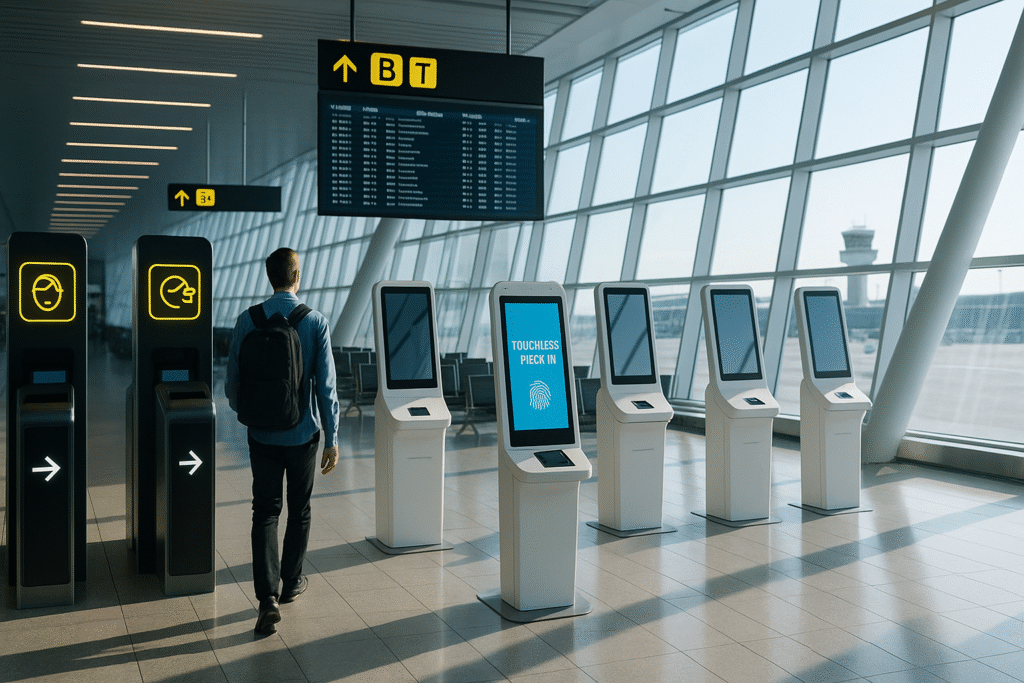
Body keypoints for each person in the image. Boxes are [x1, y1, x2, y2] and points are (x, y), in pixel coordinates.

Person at [226, 247, 340, 634]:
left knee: (266, 511)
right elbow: (326, 388)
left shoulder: (248, 320)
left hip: (262, 435)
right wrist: (332, 438)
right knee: (300, 508)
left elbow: (231, 384)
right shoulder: (315, 322)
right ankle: (291, 583)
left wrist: (252, 413)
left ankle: (267, 598)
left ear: (269, 276)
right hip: (303, 434)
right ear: (297, 276)